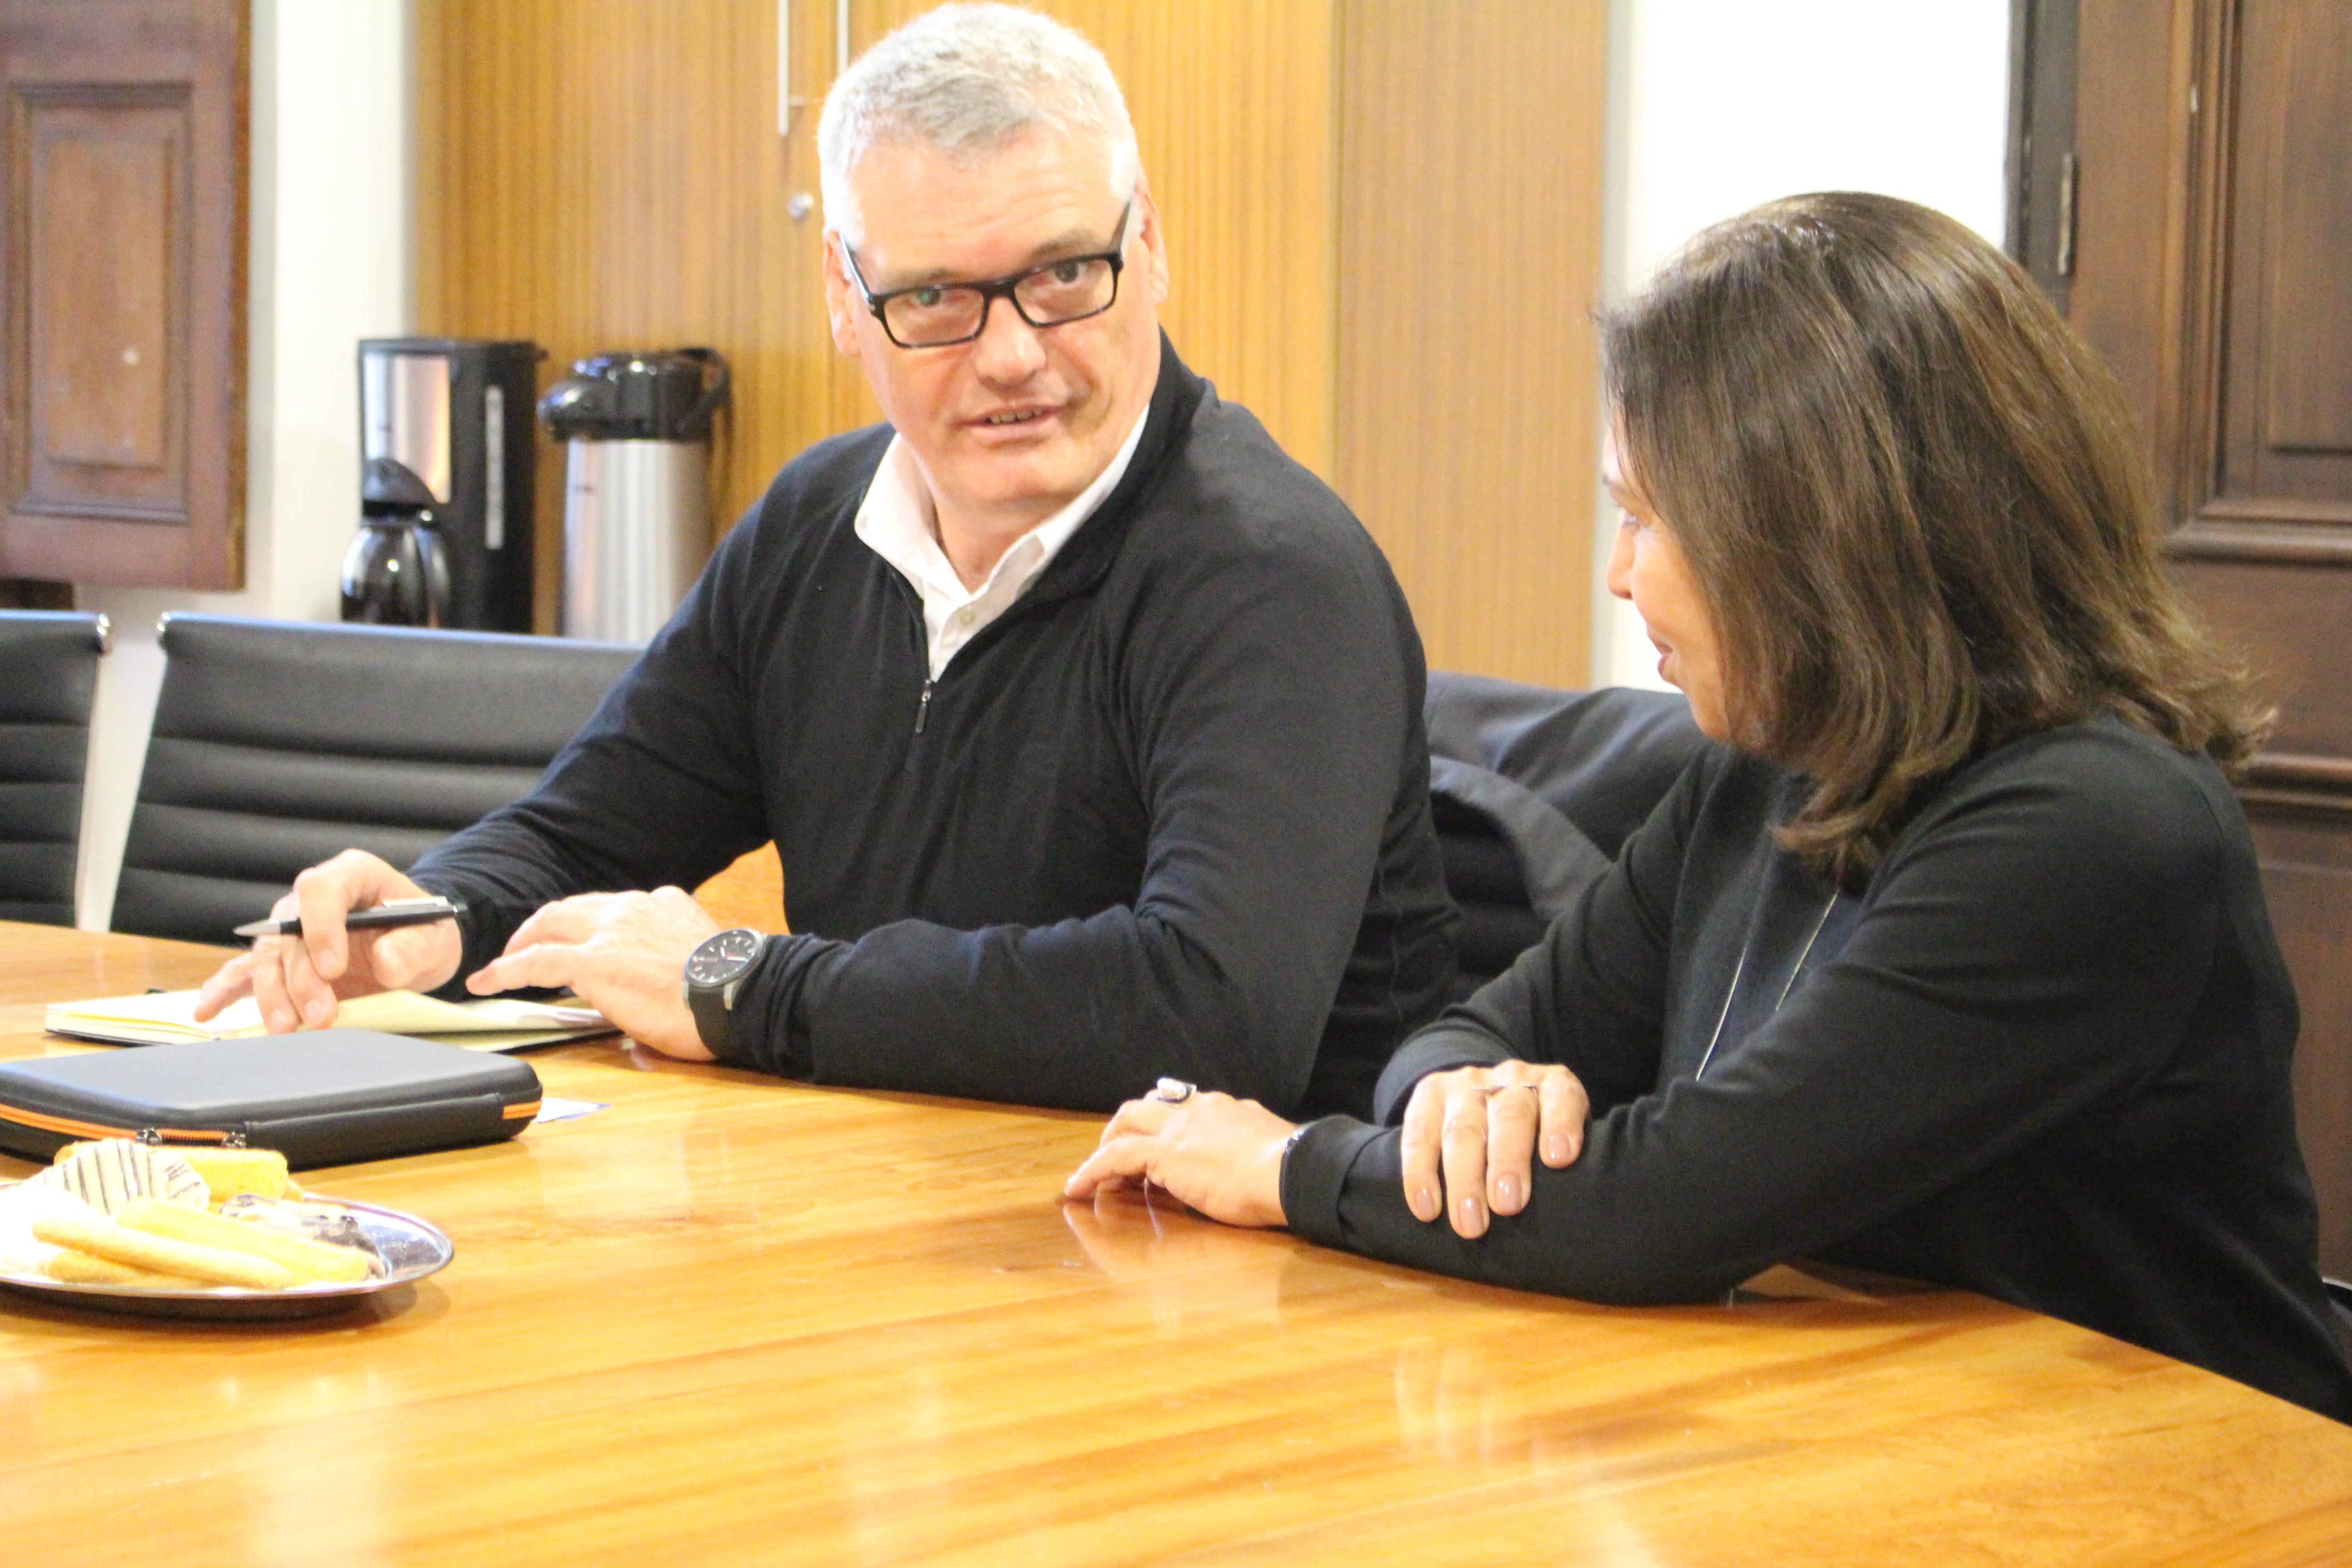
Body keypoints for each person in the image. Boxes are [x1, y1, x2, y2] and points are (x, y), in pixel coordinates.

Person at [1066, 191, 2352, 1421]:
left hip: (2197, 1491)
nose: (1620, 578)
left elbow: (1667, 1209)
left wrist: (1286, 1167)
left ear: (1826, 537)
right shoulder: (1769, 766)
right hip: (1898, 1446)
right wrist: (1468, 1100)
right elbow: (1465, 1033)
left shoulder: (2093, 831)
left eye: (1647, 517)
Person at [194, 3, 1455, 1119]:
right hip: (907, 1235)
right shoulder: (816, 525)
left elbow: (1209, 1013)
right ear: (845, 301)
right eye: (937, 300)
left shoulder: (1276, 576)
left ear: (1153, 250)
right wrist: (434, 920)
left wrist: (746, 985)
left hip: (1250, 1304)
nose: (1014, 354)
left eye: (1067, 273)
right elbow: (592, 837)